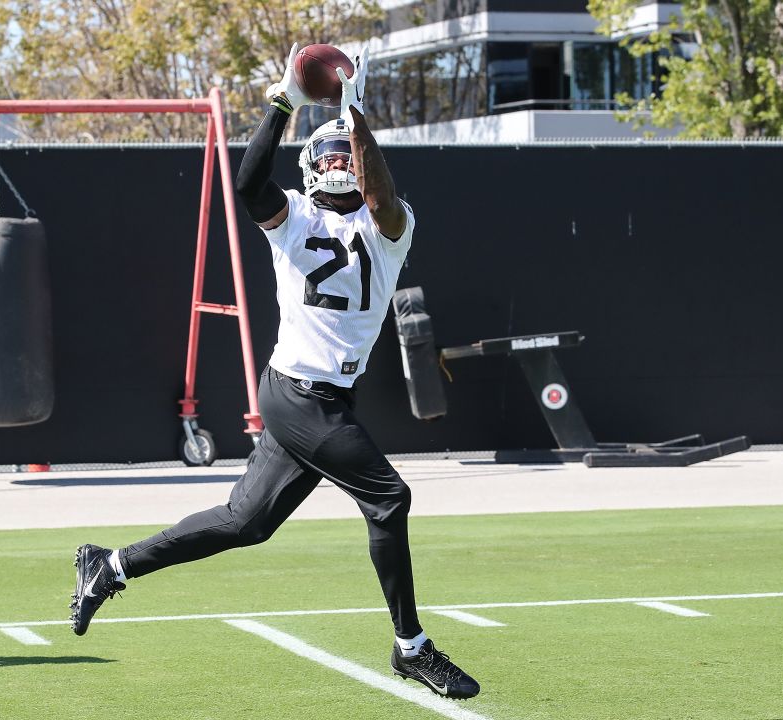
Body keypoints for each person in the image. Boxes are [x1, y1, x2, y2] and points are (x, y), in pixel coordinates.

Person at [68, 45, 479, 699]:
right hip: (299, 394)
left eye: (346, 152)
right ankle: (412, 647)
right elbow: (247, 186)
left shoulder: (389, 229)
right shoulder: (294, 219)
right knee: (389, 498)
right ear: (311, 166)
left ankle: (109, 566)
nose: (339, 160)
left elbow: (381, 197)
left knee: (245, 523)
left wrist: (357, 116)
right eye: (330, 153)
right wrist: (285, 98)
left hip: (320, 397)